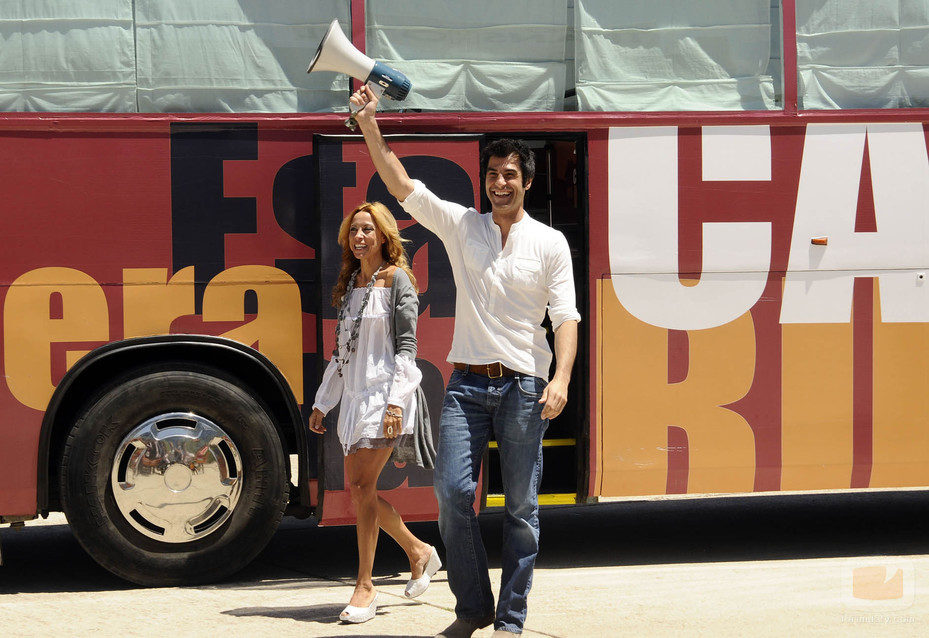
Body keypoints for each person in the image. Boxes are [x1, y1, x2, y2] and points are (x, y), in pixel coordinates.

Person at [350, 86, 581, 637]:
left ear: (527, 181)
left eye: (510, 174)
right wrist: (368, 123)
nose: (500, 182)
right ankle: (473, 607)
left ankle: (511, 618)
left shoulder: (550, 243)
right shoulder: (463, 226)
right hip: (466, 388)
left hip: (525, 389)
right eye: (493, 173)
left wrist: (562, 378)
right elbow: (401, 183)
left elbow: (566, 317)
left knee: (522, 509)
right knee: (453, 498)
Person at [308, 201, 440, 624]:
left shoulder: (398, 280)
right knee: (360, 491)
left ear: (383, 235)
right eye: (354, 231)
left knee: (362, 487)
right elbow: (342, 354)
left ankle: (366, 586)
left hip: (387, 395)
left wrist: (396, 404)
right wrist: (322, 402)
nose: (360, 237)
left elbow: (407, 349)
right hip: (354, 399)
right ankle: (418, 551)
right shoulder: (351, 287)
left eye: (368, 229)